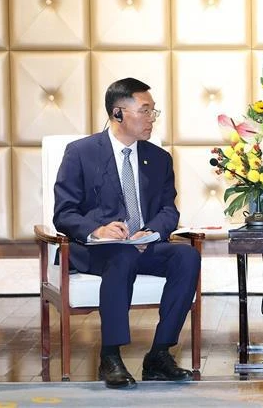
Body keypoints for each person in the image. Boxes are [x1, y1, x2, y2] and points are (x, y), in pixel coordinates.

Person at [53, 77, 201, 389]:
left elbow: (168, 211)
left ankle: (159, 354)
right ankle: (110, 355)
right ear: (118, 113)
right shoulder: (80, 153)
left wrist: (150, 232)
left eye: (153, 112)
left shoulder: (158, 158)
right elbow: (64, 213)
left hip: (143, 246)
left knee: (186, 256)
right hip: (97, 250)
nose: (151, 119)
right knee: (121, 255)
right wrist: (98, 229)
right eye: (145, 111)